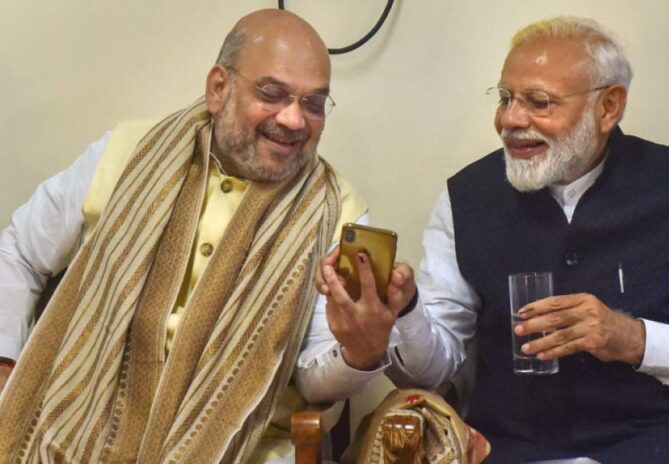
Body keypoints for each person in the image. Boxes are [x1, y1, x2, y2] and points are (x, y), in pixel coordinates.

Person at [0, 9, 409, 463]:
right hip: (77, 431)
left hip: (241, 449)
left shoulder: (338, 214)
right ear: (218, 88)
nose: (295, 120)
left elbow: (313, 383)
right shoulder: (126, 153)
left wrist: (359, 353)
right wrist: (4, 358)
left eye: (313, 104)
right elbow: (19, 252)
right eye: (272, 94)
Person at [308, 16, 669, 463]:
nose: (510, 119)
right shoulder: (467, 198)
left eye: (539, 102)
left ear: (608, 107)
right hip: (511, 450)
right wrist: (405, 310)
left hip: (662, 446)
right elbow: (432, 373)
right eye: (506, 98)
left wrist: (634, 339)